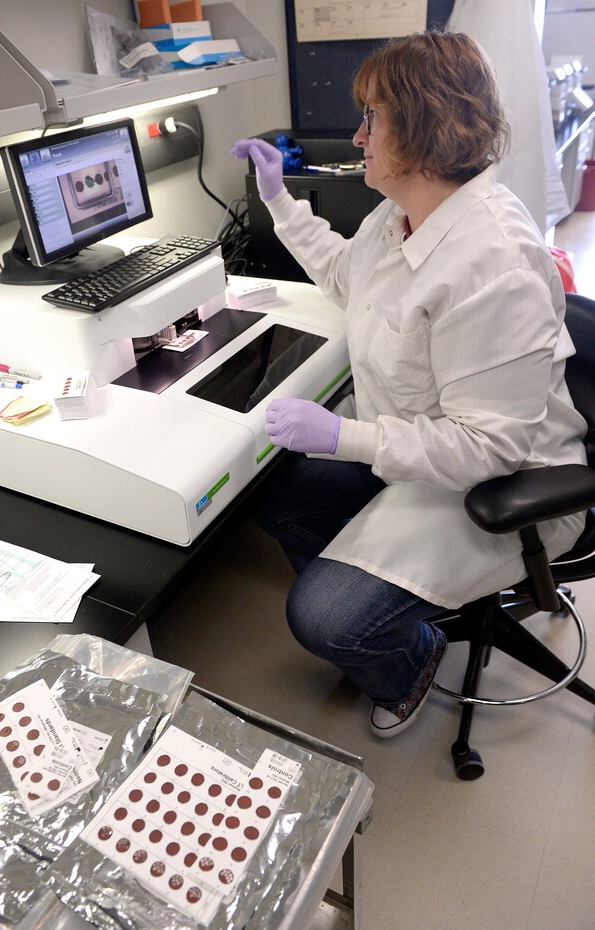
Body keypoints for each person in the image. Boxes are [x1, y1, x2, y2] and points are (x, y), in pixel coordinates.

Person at [230, 31, 587, 738]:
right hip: (424, 452)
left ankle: (406, 654)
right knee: (275, 493)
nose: (358, 136)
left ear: (425, 127)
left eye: (373, 118)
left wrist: (344, 434)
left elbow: (485, 448)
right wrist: (280, 203)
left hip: (504, 485)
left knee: (320, 616)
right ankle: (375, 601)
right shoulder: (402, 215)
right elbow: (348, 278)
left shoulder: (492, 264)